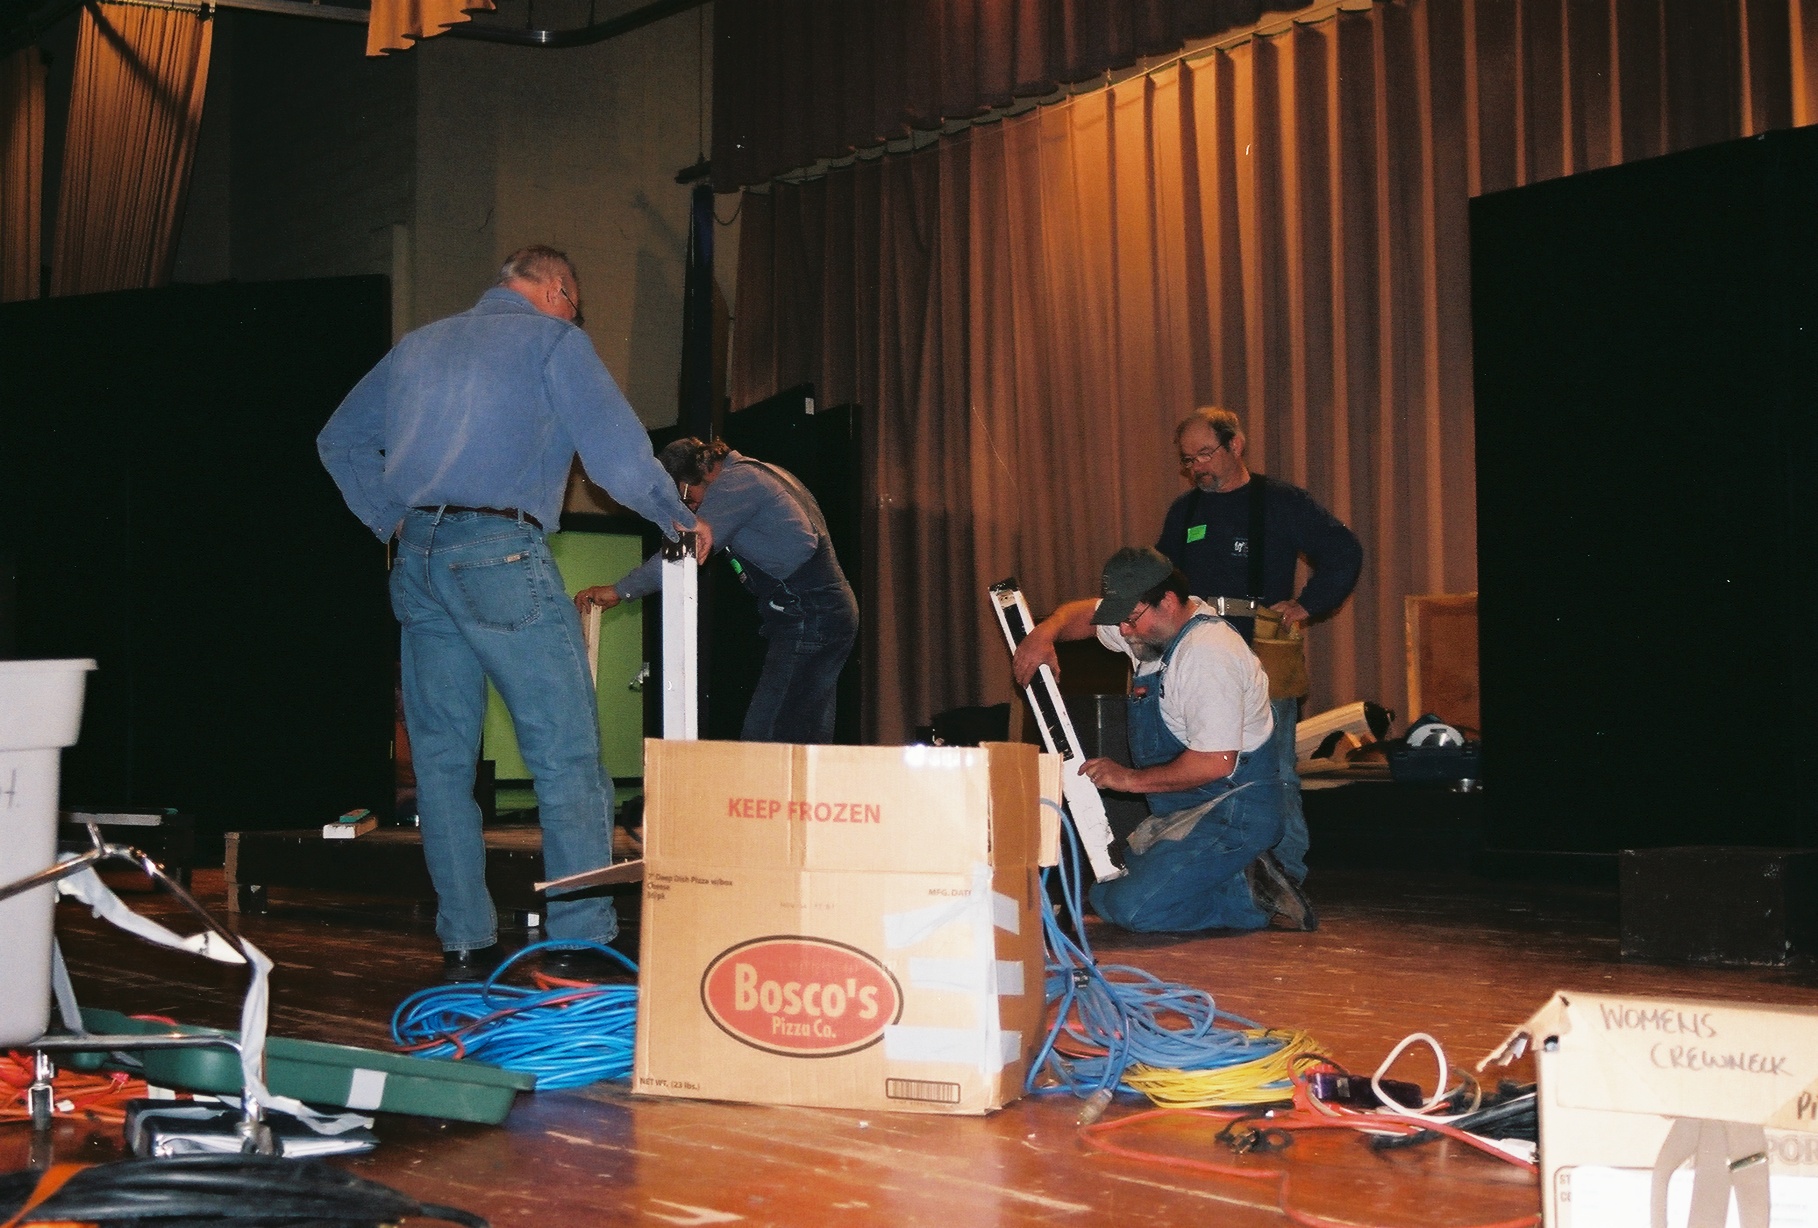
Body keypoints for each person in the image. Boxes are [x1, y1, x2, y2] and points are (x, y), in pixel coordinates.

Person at [317, 244, 711, 982]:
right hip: (499, 554)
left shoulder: (417, 346)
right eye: (576, 306)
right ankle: (580, 939)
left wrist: (389, 518)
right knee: (567, 757)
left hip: (418, 560)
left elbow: (338, 440)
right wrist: (677, 517)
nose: (574, 318)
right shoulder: (554, 341)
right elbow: (617, 458)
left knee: (441, 765)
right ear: (558, 290)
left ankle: (465, 941)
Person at [1012, 547, 1314, 933]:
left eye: (1130, 619)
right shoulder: (1149, 628)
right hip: (1185, 812)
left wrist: (1129, 779)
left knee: (1133, 909)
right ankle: (1225, 874)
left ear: (1168, 602)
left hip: (1234, 812)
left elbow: (1215, 762)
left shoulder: (1208, 654)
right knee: (1104, 894)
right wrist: (1044, 633)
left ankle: (1252, 894)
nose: (1123, 631)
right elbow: (1084, 614)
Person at [1157, 407, 1363, 887]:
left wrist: (1307, 604)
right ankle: (1215, 872)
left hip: (1261, 654)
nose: (1197, 468)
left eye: (1205, 454)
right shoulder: (1183, 512)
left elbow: (1344, 551)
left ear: (1236, 445)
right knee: (1197, 763)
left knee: (1274, 768)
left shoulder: (1281, 502)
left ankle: (1284, 877)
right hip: (1195, 656)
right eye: (1188, 460)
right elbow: (1161, 581)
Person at [574, 438, 858, 744]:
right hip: (823, 611)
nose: (691, 509)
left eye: (686, 500)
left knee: (766, 740)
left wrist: (618, 591)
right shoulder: (763, 471)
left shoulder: (737, 482)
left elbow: (682, 554)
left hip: (810, 613)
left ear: (688, 483)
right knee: (806, 738)